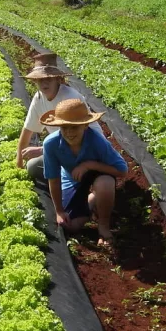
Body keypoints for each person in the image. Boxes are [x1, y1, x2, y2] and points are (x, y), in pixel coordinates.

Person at [40, 98, 127, 247]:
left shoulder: (97, 141)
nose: (68, 132)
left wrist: (89, 164)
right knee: (71, 225)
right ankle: (92, 200)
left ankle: (103, 226)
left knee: (105, 183)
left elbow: (122, 170)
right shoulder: (51, 144)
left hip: (99, 174)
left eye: (74, 127)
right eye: (64, 127)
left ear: (85, 125)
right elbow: (53, 179)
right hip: (72, 179)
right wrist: (59, 211)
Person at [17, 52, 103, 180]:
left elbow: (78, 137)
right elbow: (27, 130)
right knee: (33, 167)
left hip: (88, 149)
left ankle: (80, 181)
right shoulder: (39, 98)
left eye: (48, 79)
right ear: (34, 81)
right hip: (63, 149)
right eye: (40, 80)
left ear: (58, 79)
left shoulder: (69, 98)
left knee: (34, 165)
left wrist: (43, 150)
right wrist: (18, 163)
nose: (44, 84)